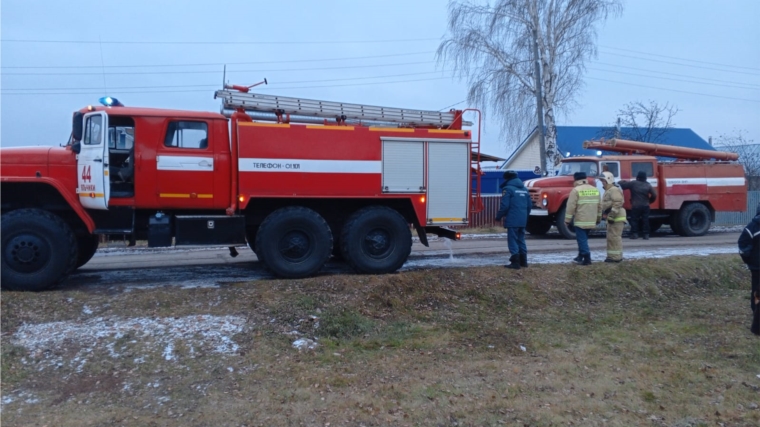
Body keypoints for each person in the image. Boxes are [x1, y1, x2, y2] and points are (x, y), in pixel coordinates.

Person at [495, 170, 532, 269]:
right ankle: (524, 261)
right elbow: (529, 205)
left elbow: (505, 206)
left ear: (507, 178)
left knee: (512, 239)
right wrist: (525, 216)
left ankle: (515, 262)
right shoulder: (525, 189)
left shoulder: (508, 189)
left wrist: (498, 216)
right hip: (523, 219)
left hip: (513, 219)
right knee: (521, 239)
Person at [565, 172, 602, 265]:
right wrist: (598, 219)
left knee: (581, 239)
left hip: (581, 220)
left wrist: (567, 220)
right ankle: (580, 256)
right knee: (584, 239)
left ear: (575, 179)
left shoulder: (576, 190)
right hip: (592, 219)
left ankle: (587, 258)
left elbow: (570, 206)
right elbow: (600, 206)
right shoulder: (595, 190)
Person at [738, 203, 760, 336]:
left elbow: (743, 246)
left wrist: (748, 260)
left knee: (757, 295)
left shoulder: (752, 227)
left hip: (756, 267)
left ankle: (756, 325)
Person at [619, 171, 657, 240]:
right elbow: (654, 195)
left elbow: (623, 186)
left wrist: (622, 181)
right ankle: (646, 235)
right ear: (645, 178)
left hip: (636, 205)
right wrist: (649, 201)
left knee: (634, 220)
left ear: (638, 177)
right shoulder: (648, 185)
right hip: (645, 206)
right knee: (645, 220)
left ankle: (634, 234)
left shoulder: (634, 183)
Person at [600, 171, 626, 263]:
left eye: (603, 181)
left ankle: (616, 257)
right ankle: (612, 256)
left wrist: (611, 215)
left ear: (608, 180)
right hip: (613, 217)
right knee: (611, 238)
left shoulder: (613, 190)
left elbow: (618, 202)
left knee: (614, 237)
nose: (602, 183)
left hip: (617, 217)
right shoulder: (609, 190)